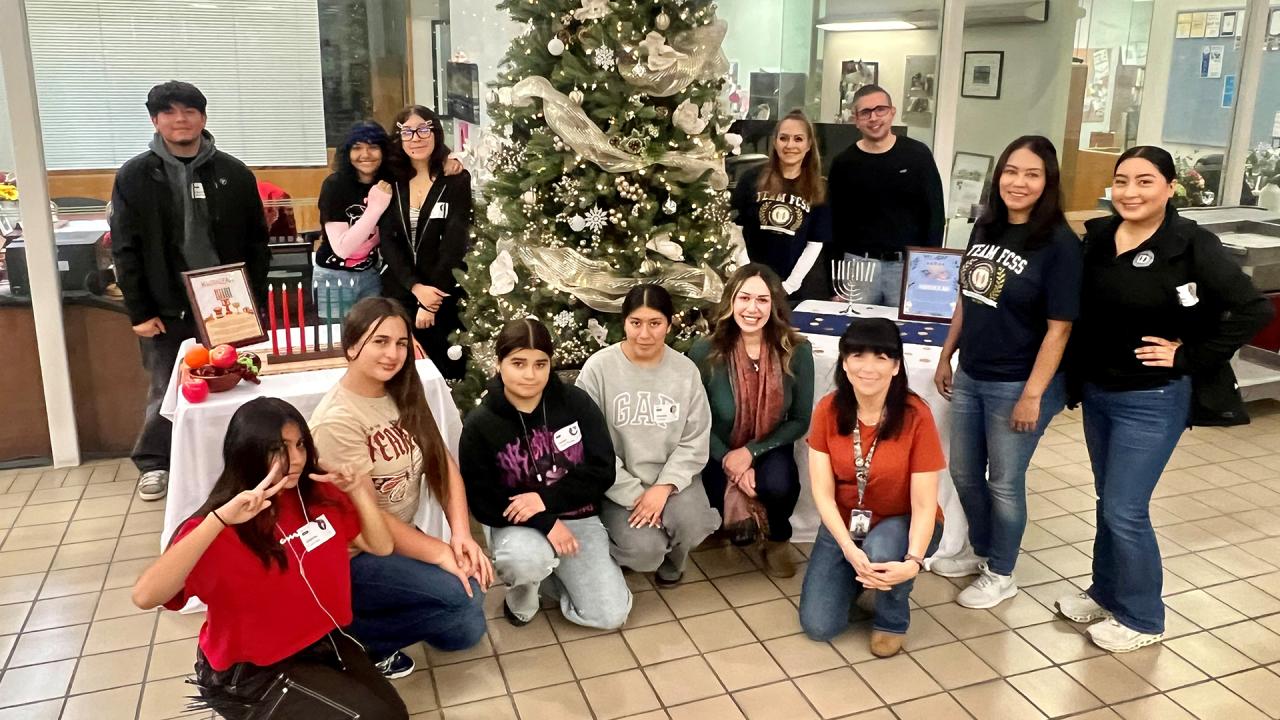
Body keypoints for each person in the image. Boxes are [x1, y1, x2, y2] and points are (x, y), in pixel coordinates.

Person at [1057, 146, 1273, 653]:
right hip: (1099, 392)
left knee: (1125, 509)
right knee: (1107, 501)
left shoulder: (1191, 244)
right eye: (1122, 181)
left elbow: (1252, 308)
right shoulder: (1100, 237)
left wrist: (1188, 356)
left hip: (1151, 399)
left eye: (1145, 181)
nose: (1130, 192)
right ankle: (1106, 592)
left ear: (1170, 187)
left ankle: (1143, 617)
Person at [130, 397, 404, 719]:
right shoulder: (221, 524)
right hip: (251, 670)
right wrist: (217, 522)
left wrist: (358, 490)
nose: (297, 458)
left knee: (395, 714)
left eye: (300, 444)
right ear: (248, 451)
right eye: (280, 447)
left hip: (320, 642)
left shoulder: (317, 495)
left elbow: (381, 545)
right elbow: (145, 596)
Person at [931, 136, 1082, 609]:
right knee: (964, 472)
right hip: (973, 372)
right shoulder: (987, 225)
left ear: (1048, 182)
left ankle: (1002, 572)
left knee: (1004, 481)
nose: (1019, 182)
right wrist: (946, 354)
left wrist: (1034, 394)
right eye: (1011, 171)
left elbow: (1059, 330)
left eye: (1032, 174)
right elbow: (967, 297)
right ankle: (983, 551)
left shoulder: (1059, 244)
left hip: (1018, 381)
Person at [309, 297, 492, 678]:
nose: (393, 353)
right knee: (461, 598)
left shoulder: (403, 390)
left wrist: (460, 535)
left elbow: (441, 463)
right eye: (380, 341)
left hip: (399, 538)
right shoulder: (336, 420)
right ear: (352, 345)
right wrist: (439, 553)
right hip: (357, 553)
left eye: (401, 343)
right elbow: (364, 515)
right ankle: (346, 636)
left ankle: (380, 611)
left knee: (464, 632)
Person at [111, 80, 270, 501]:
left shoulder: (234, 174)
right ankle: (155, 463)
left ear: (203, 117)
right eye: (169, 112)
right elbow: (125, 249)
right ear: (155, 120)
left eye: (189, 111)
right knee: (168, 387)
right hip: (168, 306)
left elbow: (257, 242)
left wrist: (252, 301)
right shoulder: (135, 175)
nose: (180, 120)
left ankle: (237, 459)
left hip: (228, 304)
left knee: (239, 382)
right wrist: (139, 311)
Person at [459, 318, 632, 629]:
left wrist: (545, 499)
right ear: (499, 364)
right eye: (518, 363)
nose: (530, 374)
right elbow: (483, 501)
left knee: (610, 616)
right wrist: (545, 520)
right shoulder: (480, 424)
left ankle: (552, 572)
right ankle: (523, 596)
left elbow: (603, 470)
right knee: (525, 560)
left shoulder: (575, 403)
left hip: (578, 516)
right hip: (515, 523)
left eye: (541, 364)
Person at [798, 319, 944, 657]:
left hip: (903, 522)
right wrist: (848, 548)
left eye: (881, 357)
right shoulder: (828, 410)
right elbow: (821, 492)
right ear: (844, 361)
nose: (868, 367)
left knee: (882, 550)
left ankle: (892, 617)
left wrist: (913, 561)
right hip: (846, 524)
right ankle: (863, 576)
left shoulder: (916, 415)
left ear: (895, 366)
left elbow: (924, 505)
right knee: (819, 626)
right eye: (858, 355)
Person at [577, 285, 721, 586]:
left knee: (692, 525)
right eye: (635, 323)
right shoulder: (598, 370)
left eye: (654, 324)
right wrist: (634, 494)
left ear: (668, 324)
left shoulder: (685, 372)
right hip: (617, 481)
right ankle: (635, 549)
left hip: (673, 481)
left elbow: (694, 439)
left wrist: (664, 488)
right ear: (624, 323)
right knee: (644, 550)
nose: (644, 334)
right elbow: (588, 443)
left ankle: (675, 559)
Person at [688, 264, 814, 578]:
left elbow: (799, 420)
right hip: (717, 445)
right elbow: (695, 420)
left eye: (762, 300)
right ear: (731, 301)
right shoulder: (705, 351)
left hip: (770, 442)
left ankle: (776, 538)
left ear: (774, 307)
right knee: (714, 489)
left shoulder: (796, 351)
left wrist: (751, 453)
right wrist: (729, 459)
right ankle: (737, 524)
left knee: (778, 484)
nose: (752, 308)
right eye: (744, 298)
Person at [827, 85, 944, 307]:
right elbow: (834, 223)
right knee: (854, 333)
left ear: (892, 111)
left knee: (906, 335)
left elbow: (935, 214)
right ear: (856, 119)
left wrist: (930, 266)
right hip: (858, 265)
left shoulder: (917, 155)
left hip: (908, 267)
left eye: (880, 109)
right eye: (865, 112)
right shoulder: (844, 163)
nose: (874, 118)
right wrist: (833, 282)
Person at [379, 105, 472, 379]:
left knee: (445, 373)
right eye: (407, 132)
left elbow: (455, 242)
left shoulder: (455, 179)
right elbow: (388, 242)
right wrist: (415, 287)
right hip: (401, 292)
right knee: (402, 376)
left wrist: (430, 300)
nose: (416, 138)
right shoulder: (390, 180)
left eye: (423, 129)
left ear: (436, 133)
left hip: (443, 293)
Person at [731, 109, 832, 302]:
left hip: (793, 291)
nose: (790, 145)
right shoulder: (751, 178)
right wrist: (748, 274)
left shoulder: (819, 188)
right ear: (775, 142)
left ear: (809, 144)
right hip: (750, 285)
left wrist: (789, 286)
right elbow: (735, 229)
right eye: (784, 138)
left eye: (798, 139)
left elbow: (815, 243)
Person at [313, 122, 395, 315]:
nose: (365, 154)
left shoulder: (389, 183)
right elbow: (342, 249)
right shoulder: (335, 185)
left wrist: (449, 160)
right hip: (333, 277)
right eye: (357, 147)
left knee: (371, 336)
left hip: (371, 274)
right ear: (347, 152)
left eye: (373, 147)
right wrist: (375, 207)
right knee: (337, 341)